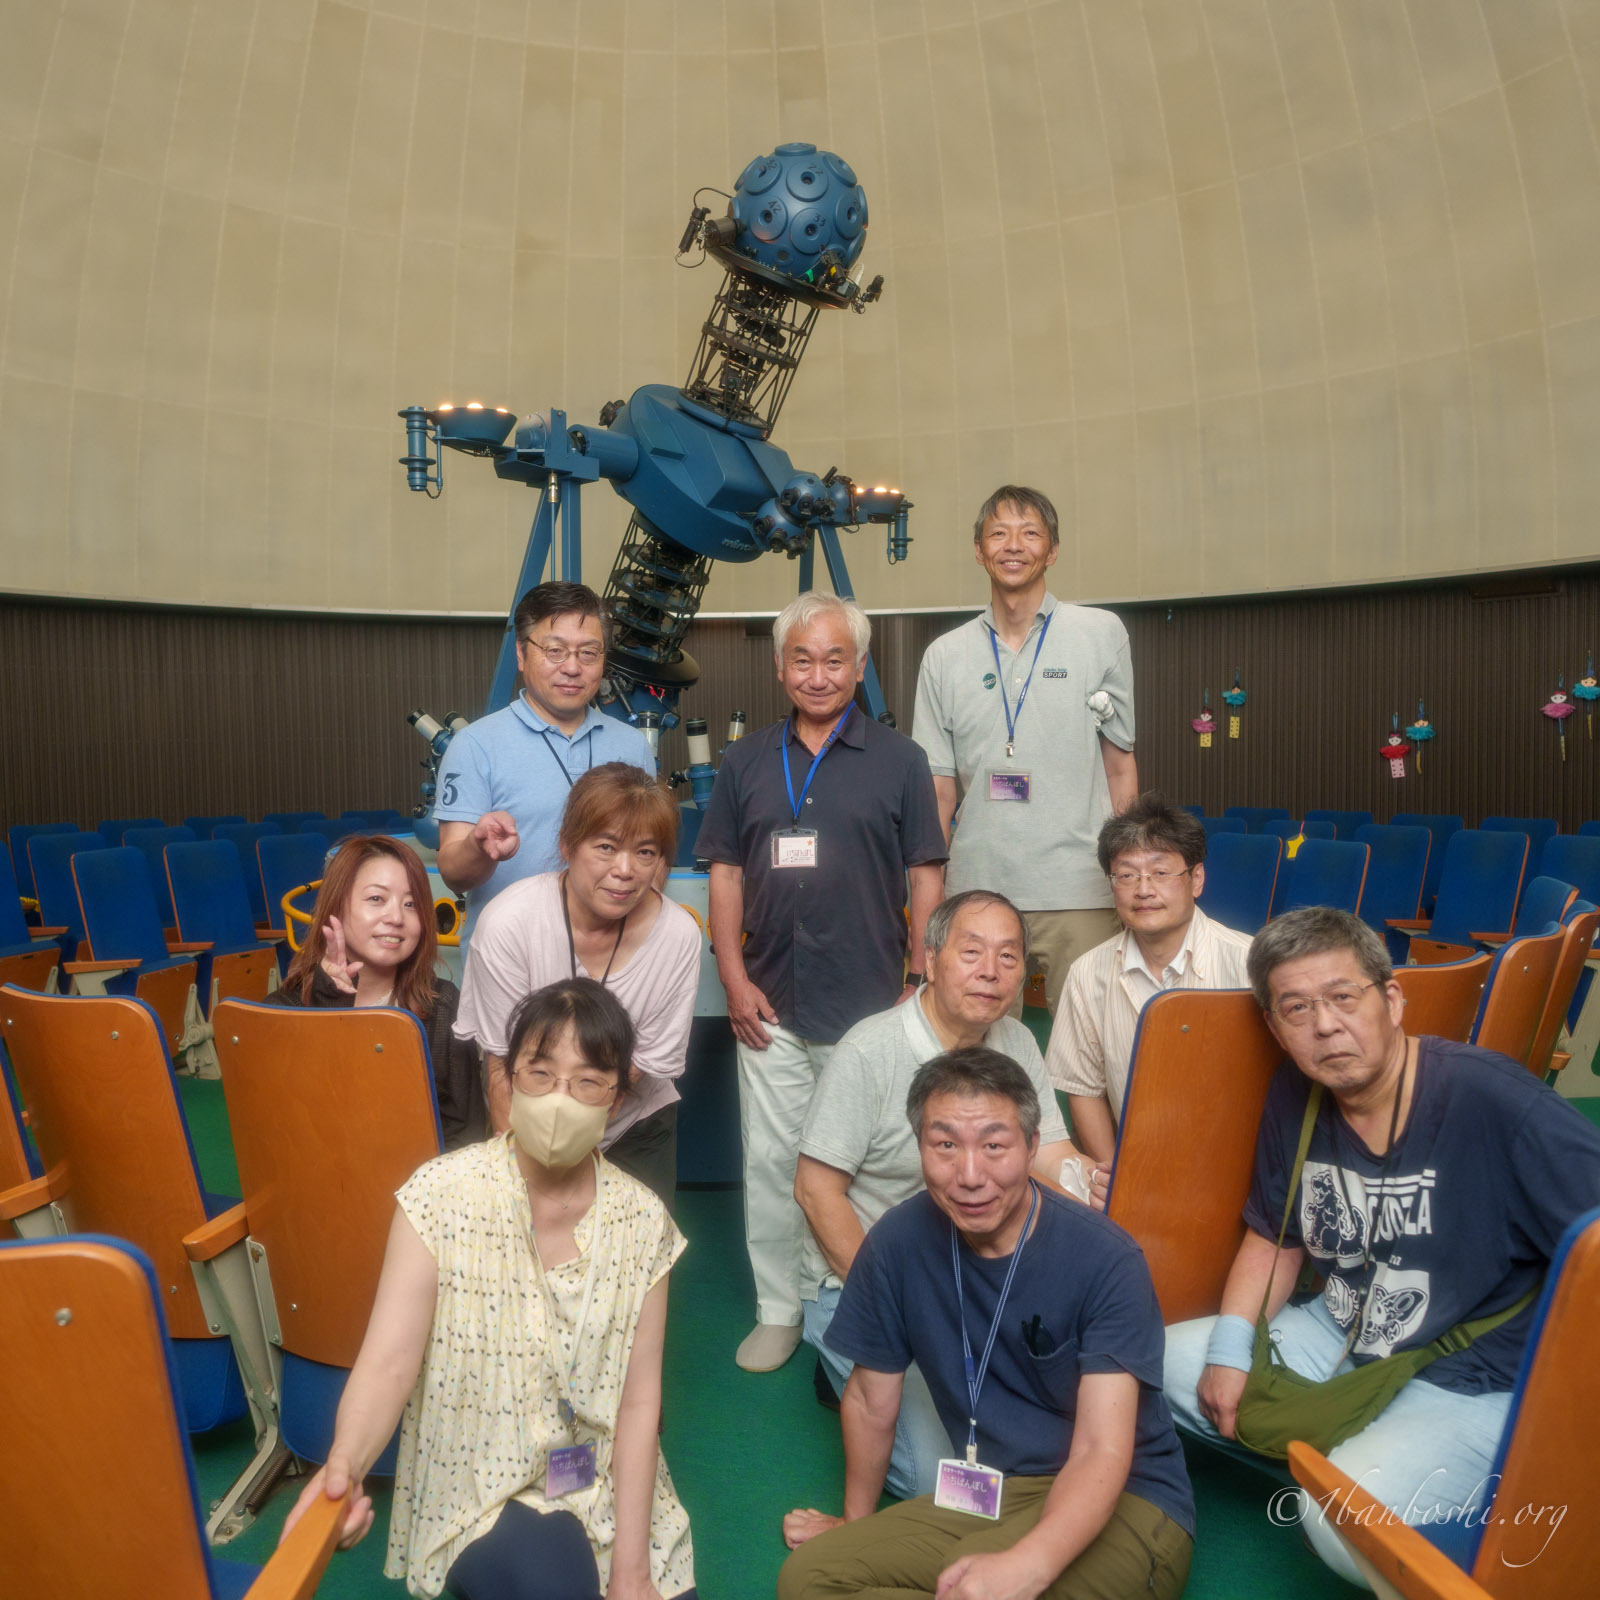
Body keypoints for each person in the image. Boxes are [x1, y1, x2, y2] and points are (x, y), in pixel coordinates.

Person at [1163, 907, 1600, 1587]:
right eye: (1297, 1008)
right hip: (1340, 1333)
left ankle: (1430, 1472)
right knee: (1154, 1360)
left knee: (1335, 1515)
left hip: (1469, 1376)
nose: (1325, 1026)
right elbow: (1274, 1237)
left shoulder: (1494, 1099)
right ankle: (1358, 1446)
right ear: (1276, 1028)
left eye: (1343, 996)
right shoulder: (1296, 1091)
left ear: (1391, 1000)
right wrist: (1227, 1353)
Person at [280, 977, 696, 1600]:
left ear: (616, 1098)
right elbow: (389, 1362)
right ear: (508, 1077)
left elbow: (638, 1402)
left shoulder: (643, 1222)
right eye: (540, 1074)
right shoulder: (441, 1194)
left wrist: (632, 1571)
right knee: (553, 1582)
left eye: (587, 1082)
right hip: (478, 1482)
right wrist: (346, 1464)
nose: (560, 1100)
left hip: (601, 1478)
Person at [779, 1048, 1194, 1600]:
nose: (970, 1176)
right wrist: (856, 1523)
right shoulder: (896, 1243)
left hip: (1127, 1498)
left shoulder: (1107, 1259)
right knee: (809, 1577)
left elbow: (1101, 1449)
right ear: (920, 1147)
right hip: (996, 1495)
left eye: (994, 1146)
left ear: (1031, 1147)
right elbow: (869, 1400)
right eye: (945, 1145)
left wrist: (1027, 1564)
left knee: (973, 1575)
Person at [697, 590, 948, 1373]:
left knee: (867, 1166)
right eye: (802, 659)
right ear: (780, 668)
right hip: (768, 1000)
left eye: (834, 659)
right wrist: (732, 977)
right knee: (773, 1161)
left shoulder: (902, 762)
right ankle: (780, 1309)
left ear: (860, 666)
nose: (817, 674)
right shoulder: (744, 762)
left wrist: (920, 976)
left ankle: (854, 1302)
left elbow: (927, 876)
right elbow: (726, 874)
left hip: (871, 1000)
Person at [795, 890, 1088, 1498]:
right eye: (972, 952)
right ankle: (839, 1360)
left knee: (1066, 1423)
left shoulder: (1016, 1040)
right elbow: (816, 1190)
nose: (991, 972)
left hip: (978, 1267)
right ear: (930, 960)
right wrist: (896, 1306)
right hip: (868, 1277)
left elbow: (1052, 1158)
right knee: (939, 1481)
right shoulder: (869, 1050)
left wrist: (1094, 1191)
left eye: (1009, 956)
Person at [912, 486, 1137, 1018]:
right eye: (999, 533)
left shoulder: (1101, 633)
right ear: (979, 550)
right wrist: (933, 898)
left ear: (1052, 550)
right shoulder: (944, 656)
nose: (1013, 545)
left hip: (1079, 887)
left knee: (1099, 1042)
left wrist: (1127, 874)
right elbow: (938, 792)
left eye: (1030, 532)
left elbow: (1119, 767)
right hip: (976, 894)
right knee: (978, 1047)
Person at [455, 762, 699, 1210]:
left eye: (646, 852)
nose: (625, 870)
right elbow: (501, 1064)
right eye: (606, 847)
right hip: (526, 1117)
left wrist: (577, 1140)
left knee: (632, 1245)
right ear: (567, 844)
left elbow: (641, 1063)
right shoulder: (510, 922)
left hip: (631, 1123)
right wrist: (526, 1169)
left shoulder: (678, 935)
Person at [433, 581, 655, 950]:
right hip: (510, 954)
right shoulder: (475, 745)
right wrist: (478, 847)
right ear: (521, 654)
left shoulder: (633, 746)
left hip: (609, 958)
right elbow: (453, 874)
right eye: (555, 651)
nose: (572, 667)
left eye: (589, 653)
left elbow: (652, 855)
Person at [1045, 794, 1251, 1170]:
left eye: (1160, 873)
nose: (1143, 889)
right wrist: (1118, 1178)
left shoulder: (1249, 964)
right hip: (1138, 1168)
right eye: (1126, 875)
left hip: (1242, 1168)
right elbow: (1083, 1089)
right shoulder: (1087, 973)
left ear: (1196, 879)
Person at [266, 833, 484, 1150]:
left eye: (411, 904)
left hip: (422, 1179)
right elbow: (291, 1131)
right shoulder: (281, 1010)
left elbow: (467, 1133)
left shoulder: (442, 1006)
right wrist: (330, 1004)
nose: (396, 918)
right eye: (376, 899)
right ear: (336, 906)